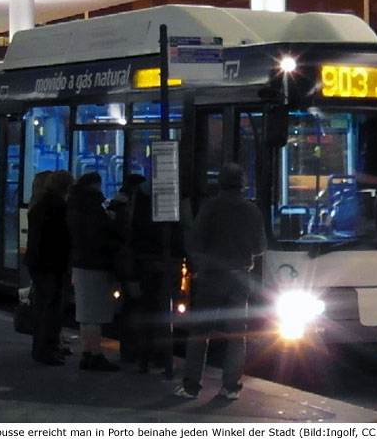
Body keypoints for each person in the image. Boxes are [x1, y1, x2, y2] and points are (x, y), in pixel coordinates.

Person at [174, 163, 266, 400]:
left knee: (200, 332)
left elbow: (195, 242)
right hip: (240, 276)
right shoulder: (251, 210)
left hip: (211, 276)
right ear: (243, 183)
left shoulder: (210, 208)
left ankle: (192, 385)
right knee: (237, 335)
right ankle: (230, 387)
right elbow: (260, 247)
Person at [67, 172, 122, 372]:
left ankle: (87, 352)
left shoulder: (75, 205)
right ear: (95, 185)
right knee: (95, 314)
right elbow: (100, 237)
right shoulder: (93, 208)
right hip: (95, 265)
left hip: (80, 264)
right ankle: (95, 354)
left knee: (85, 314)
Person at [109, 174, 165, 371]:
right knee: (151, 309)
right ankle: (150, 355)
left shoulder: (122, 206)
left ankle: (133, 353)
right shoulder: (149, 209)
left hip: (130, 266)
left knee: (133, 308)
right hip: (144, 264)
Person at [25, 170, 73, 365]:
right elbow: (62, 238)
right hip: (52, 264)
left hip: (39, 262)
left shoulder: (40, 204)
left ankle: (43, 348)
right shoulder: (58, 207)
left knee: (43, 306)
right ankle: (46, 349)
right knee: (51, 308)